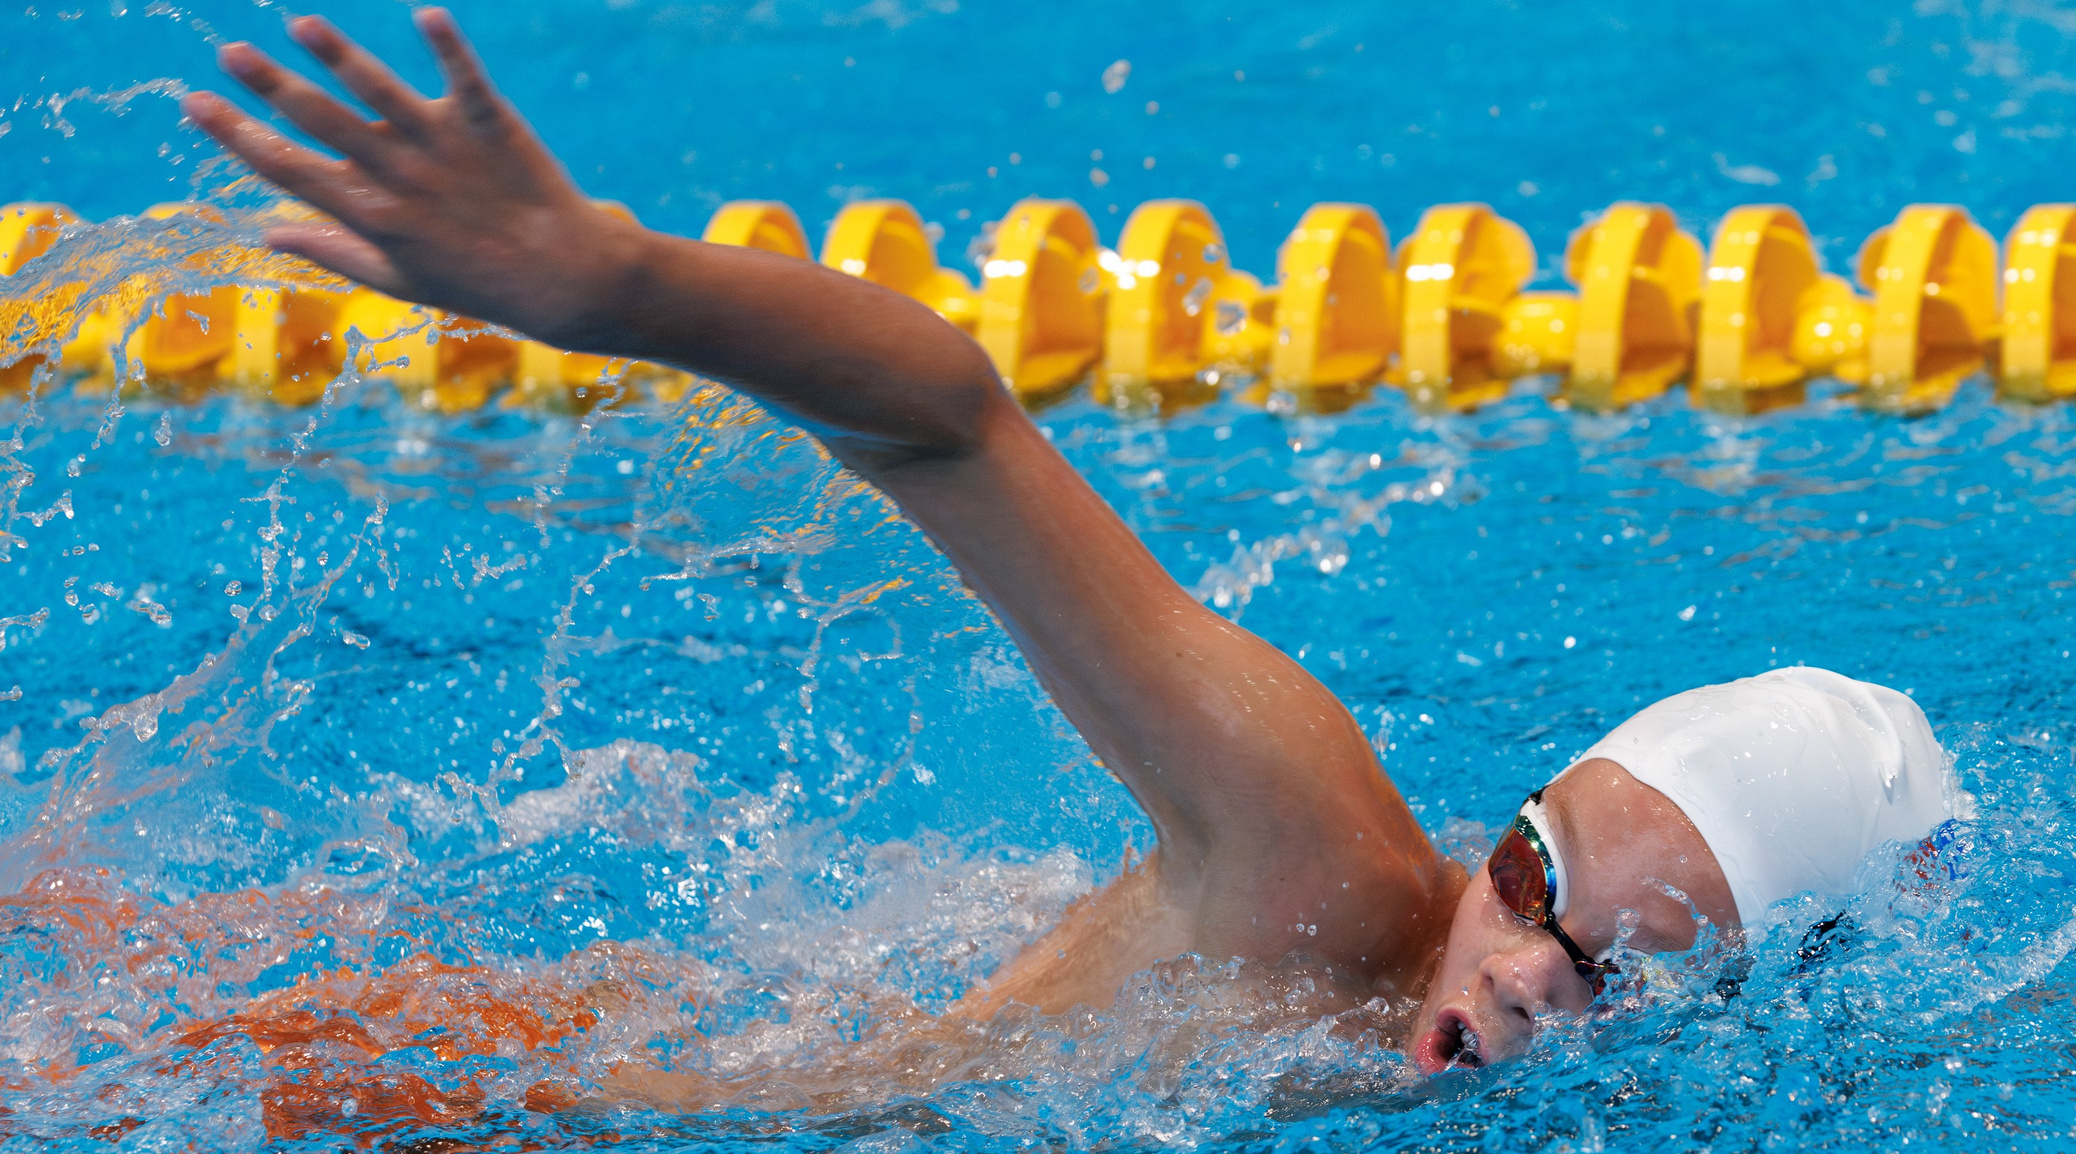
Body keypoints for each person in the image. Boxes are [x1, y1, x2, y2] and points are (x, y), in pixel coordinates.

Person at [179, 10, 1958, 1086]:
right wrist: (611, 285)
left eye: (1624, 976)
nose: (1525, 979)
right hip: (525, 1107)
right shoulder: (1312, 859)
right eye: (1528, 880)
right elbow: (948, 422)